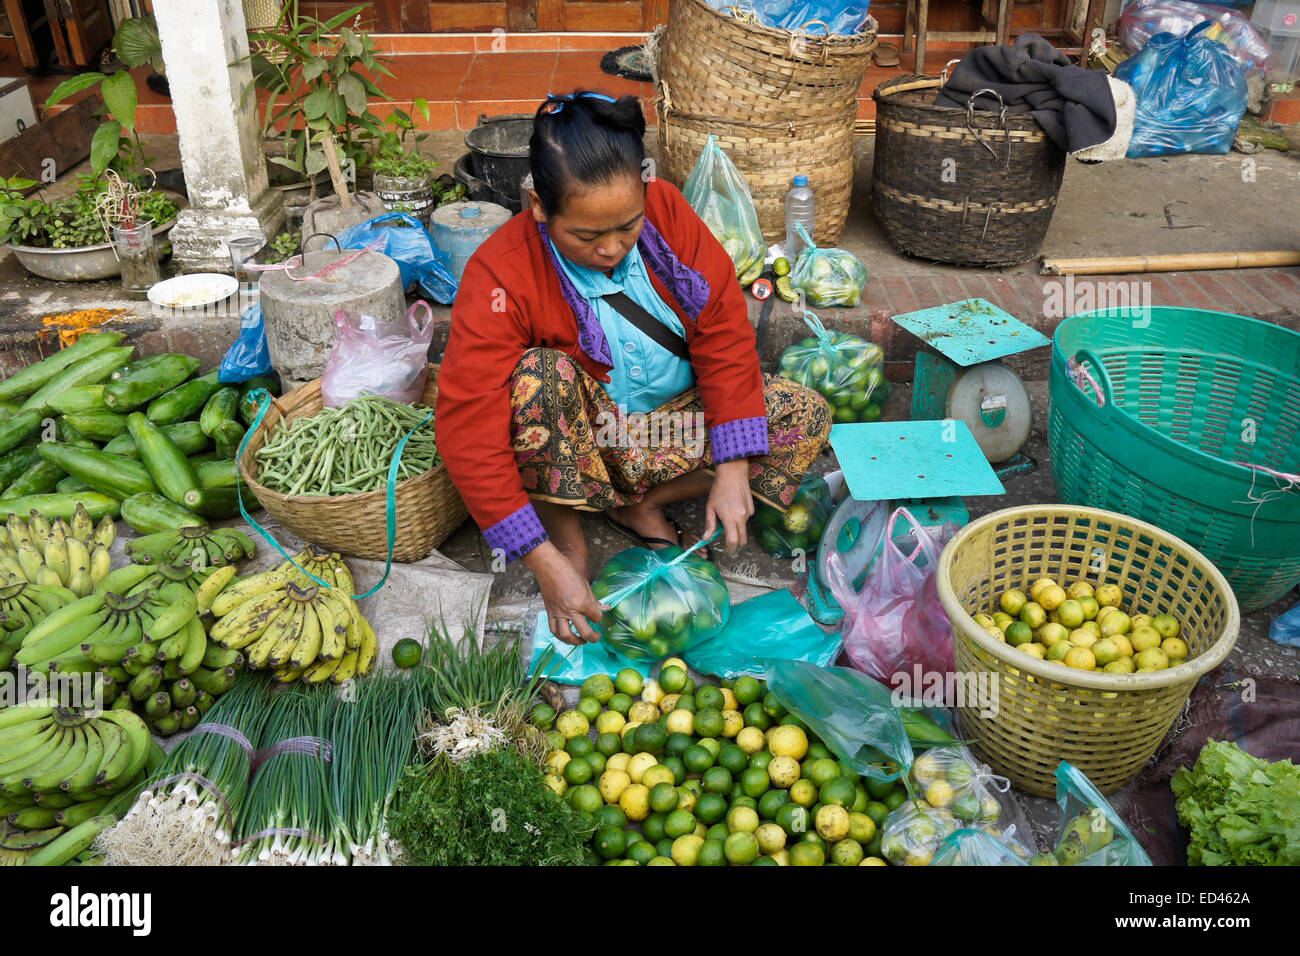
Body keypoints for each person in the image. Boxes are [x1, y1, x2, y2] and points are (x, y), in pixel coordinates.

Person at [436, 91, 831, 646]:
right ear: (539, 208)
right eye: (588, 236)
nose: (613, 248)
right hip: (589, 443)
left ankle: (642, 504)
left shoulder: (669, 214)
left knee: (804, 412)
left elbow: (723, 333)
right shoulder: (501, 273)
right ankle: (569, 536)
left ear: (645, 192)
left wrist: (735, 466)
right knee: (539, 377)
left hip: (673, 431)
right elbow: (468, 430)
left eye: (627, 225)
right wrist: (544, 560)